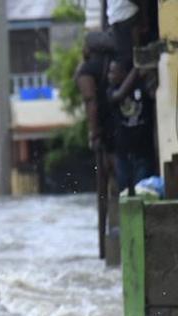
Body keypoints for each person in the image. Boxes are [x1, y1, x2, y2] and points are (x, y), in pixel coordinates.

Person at [75, 31, 115, 258]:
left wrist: (94, 133)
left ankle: (104, 248)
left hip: (105, 135)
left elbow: (91, 102)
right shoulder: (115, 64)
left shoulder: (87, 71)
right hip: (124, 129)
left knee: (104, 188)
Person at [107, 59, 155, 194]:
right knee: (125, 194)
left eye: (113, 72)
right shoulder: (111, 91)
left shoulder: (142, 87)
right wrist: (136, 69)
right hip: (123, 153)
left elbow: (153, 94)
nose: (109, 76)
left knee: (143, 191)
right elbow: (119, 96)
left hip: (143, 152)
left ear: (123, 73)